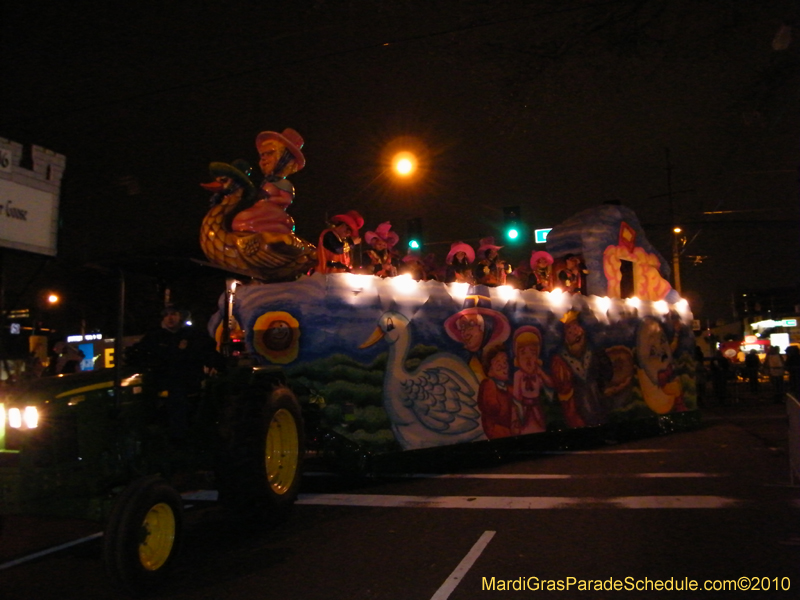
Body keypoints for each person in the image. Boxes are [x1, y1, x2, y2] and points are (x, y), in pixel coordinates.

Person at [126, 304, 224, 440]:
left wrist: (216, 365)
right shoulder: (155, 336)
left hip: (185, 379)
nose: (169, 318)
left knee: (178, 399)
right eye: (166, 315)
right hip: (160, 379)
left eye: (173, 314)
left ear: (181, 317)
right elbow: (140, 354)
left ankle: (179, 436)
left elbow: (208, 353)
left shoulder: (193, 335)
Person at [231, 128, 306, 236]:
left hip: (273, 213)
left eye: (270, 153)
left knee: (244, 220)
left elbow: (287, 200)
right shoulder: (267, 181)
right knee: (241, 220)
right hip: (261, 211)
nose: (264, 159)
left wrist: (268, 199)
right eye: (262, 155)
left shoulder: (283, 183)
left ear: (284, 158)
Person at [511, 326, 553, 434]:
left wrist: (541, 373)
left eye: (533, 353)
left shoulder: (538, 374)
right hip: (524, 411)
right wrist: (516, 417)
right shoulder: (518, 375)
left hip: (537, 409)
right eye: (523, 353)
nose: (528, 358)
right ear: (517, 358)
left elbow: (550, 385)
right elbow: (516, 398)